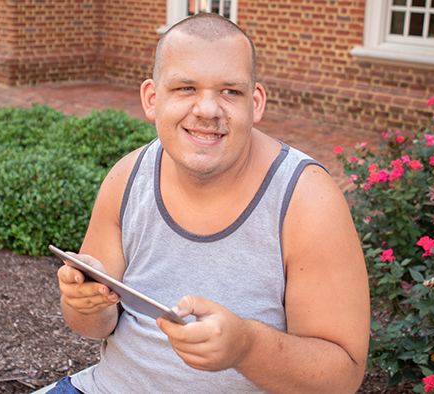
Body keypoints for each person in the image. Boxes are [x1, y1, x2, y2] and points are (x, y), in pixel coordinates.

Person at [34, 12, 370, 394]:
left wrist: (246, 346)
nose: (208, 110)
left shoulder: (308, 199)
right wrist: (84, 302)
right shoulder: (127, 176)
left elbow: (343, 376)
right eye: (186, 88)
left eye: (230, 91)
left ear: (255, 103)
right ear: (152, 99)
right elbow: (94, 326)